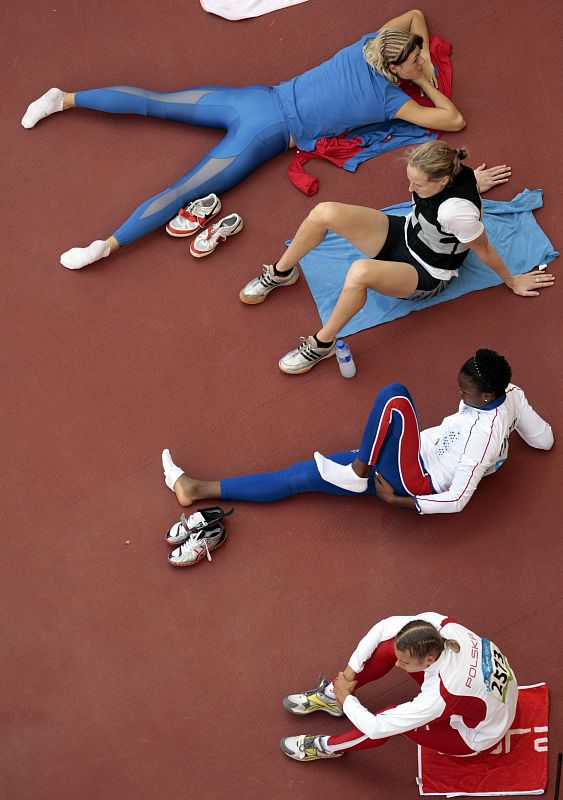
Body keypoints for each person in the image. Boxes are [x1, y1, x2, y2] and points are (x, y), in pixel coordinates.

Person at [21, 10, 468, 269]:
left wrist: (418, 54)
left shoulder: (368, 44)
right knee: (187, 189)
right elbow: (452, 120)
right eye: (412, 60)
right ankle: (108, 245)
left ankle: (64, 99)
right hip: (268, 134)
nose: (419, 62)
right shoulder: (390, 99)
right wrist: (426, 79)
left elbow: (414, 15)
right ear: (397, 68)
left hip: (256, 98)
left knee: (156, 102)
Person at [161, 350, 553, 562]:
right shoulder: (512, 395)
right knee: (301, 476)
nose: (460, 396)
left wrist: (396, 500)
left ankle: (359, 470)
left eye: (465, 393)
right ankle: (194, 489)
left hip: (415, 479)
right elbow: (545, 440)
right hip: (407, 452)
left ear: (487, 396)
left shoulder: (483, 439)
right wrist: (516, 425)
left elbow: (456, 500)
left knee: (395, 397)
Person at [239, 141, 554, 374]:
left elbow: (483, 248)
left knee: (359, 272)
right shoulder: (452, 168)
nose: (410, 187)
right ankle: (282, 273)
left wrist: (512, 280)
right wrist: (475, 183)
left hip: (424, 271)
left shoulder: (456, 212)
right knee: (325, 212)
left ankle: (322, 344)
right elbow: (462, 180)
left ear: (443, 181)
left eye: (417, 185)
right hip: (404, 233)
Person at [278, 613, 518, 762]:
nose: (398, 664)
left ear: (429, 661)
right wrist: (349, 673)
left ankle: (327, 747)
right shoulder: (438, 625)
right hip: (482, 697)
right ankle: (331, 697)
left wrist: (347, 698)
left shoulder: (442, 695)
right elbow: (384, 627)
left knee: (386, 719)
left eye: (404, 663)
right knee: (386, 648)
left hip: (474, 736)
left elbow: (376, 728)